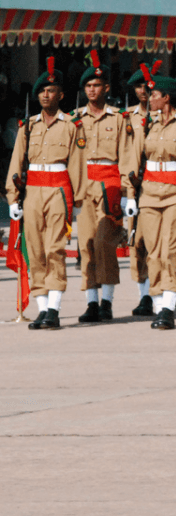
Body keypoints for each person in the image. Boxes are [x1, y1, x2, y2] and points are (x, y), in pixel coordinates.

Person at [5, 59, 84, 329]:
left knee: (55, 249)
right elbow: (16, 163)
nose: (45, 95)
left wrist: (77, 201)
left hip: (59, 189)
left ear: (61, 95)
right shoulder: (27, 126)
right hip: (33, 191)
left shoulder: (71, 125)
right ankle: (41, 308)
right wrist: (13, 198)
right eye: (42, 91)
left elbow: (77, 165)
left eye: (51, 91)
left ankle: (54, 308)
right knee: (35, 249)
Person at [124, 71, 176, 330]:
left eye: (155, 94)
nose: (150, 98)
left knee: (173, 250)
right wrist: (130, 196)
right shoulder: (146, 125)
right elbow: (135, 161)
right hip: (149, 194)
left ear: (167, 98)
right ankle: (158, 304)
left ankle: (168, 306)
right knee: (153, 251)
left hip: (174, 194)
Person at [73, 53, 136, 323]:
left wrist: (126, 193)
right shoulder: (75, 119)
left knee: (104, 242)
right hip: (84, 183)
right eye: (88, 86)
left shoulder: (119, 118)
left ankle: (107, 301)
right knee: (86, 243)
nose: (92, 90)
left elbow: (127, 156)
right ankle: (91, 302)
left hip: (109, 183)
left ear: (106, 88)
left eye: (97, 85)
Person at [126, 63, 157, 315]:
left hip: (160, 183)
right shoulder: (127, 117)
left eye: (147, 86)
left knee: (161, 241)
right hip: (135, 186)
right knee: (137, 242)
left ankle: (169, 291)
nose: (143, 90)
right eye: (138, 86)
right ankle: (144, 294)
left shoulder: (167, 115)